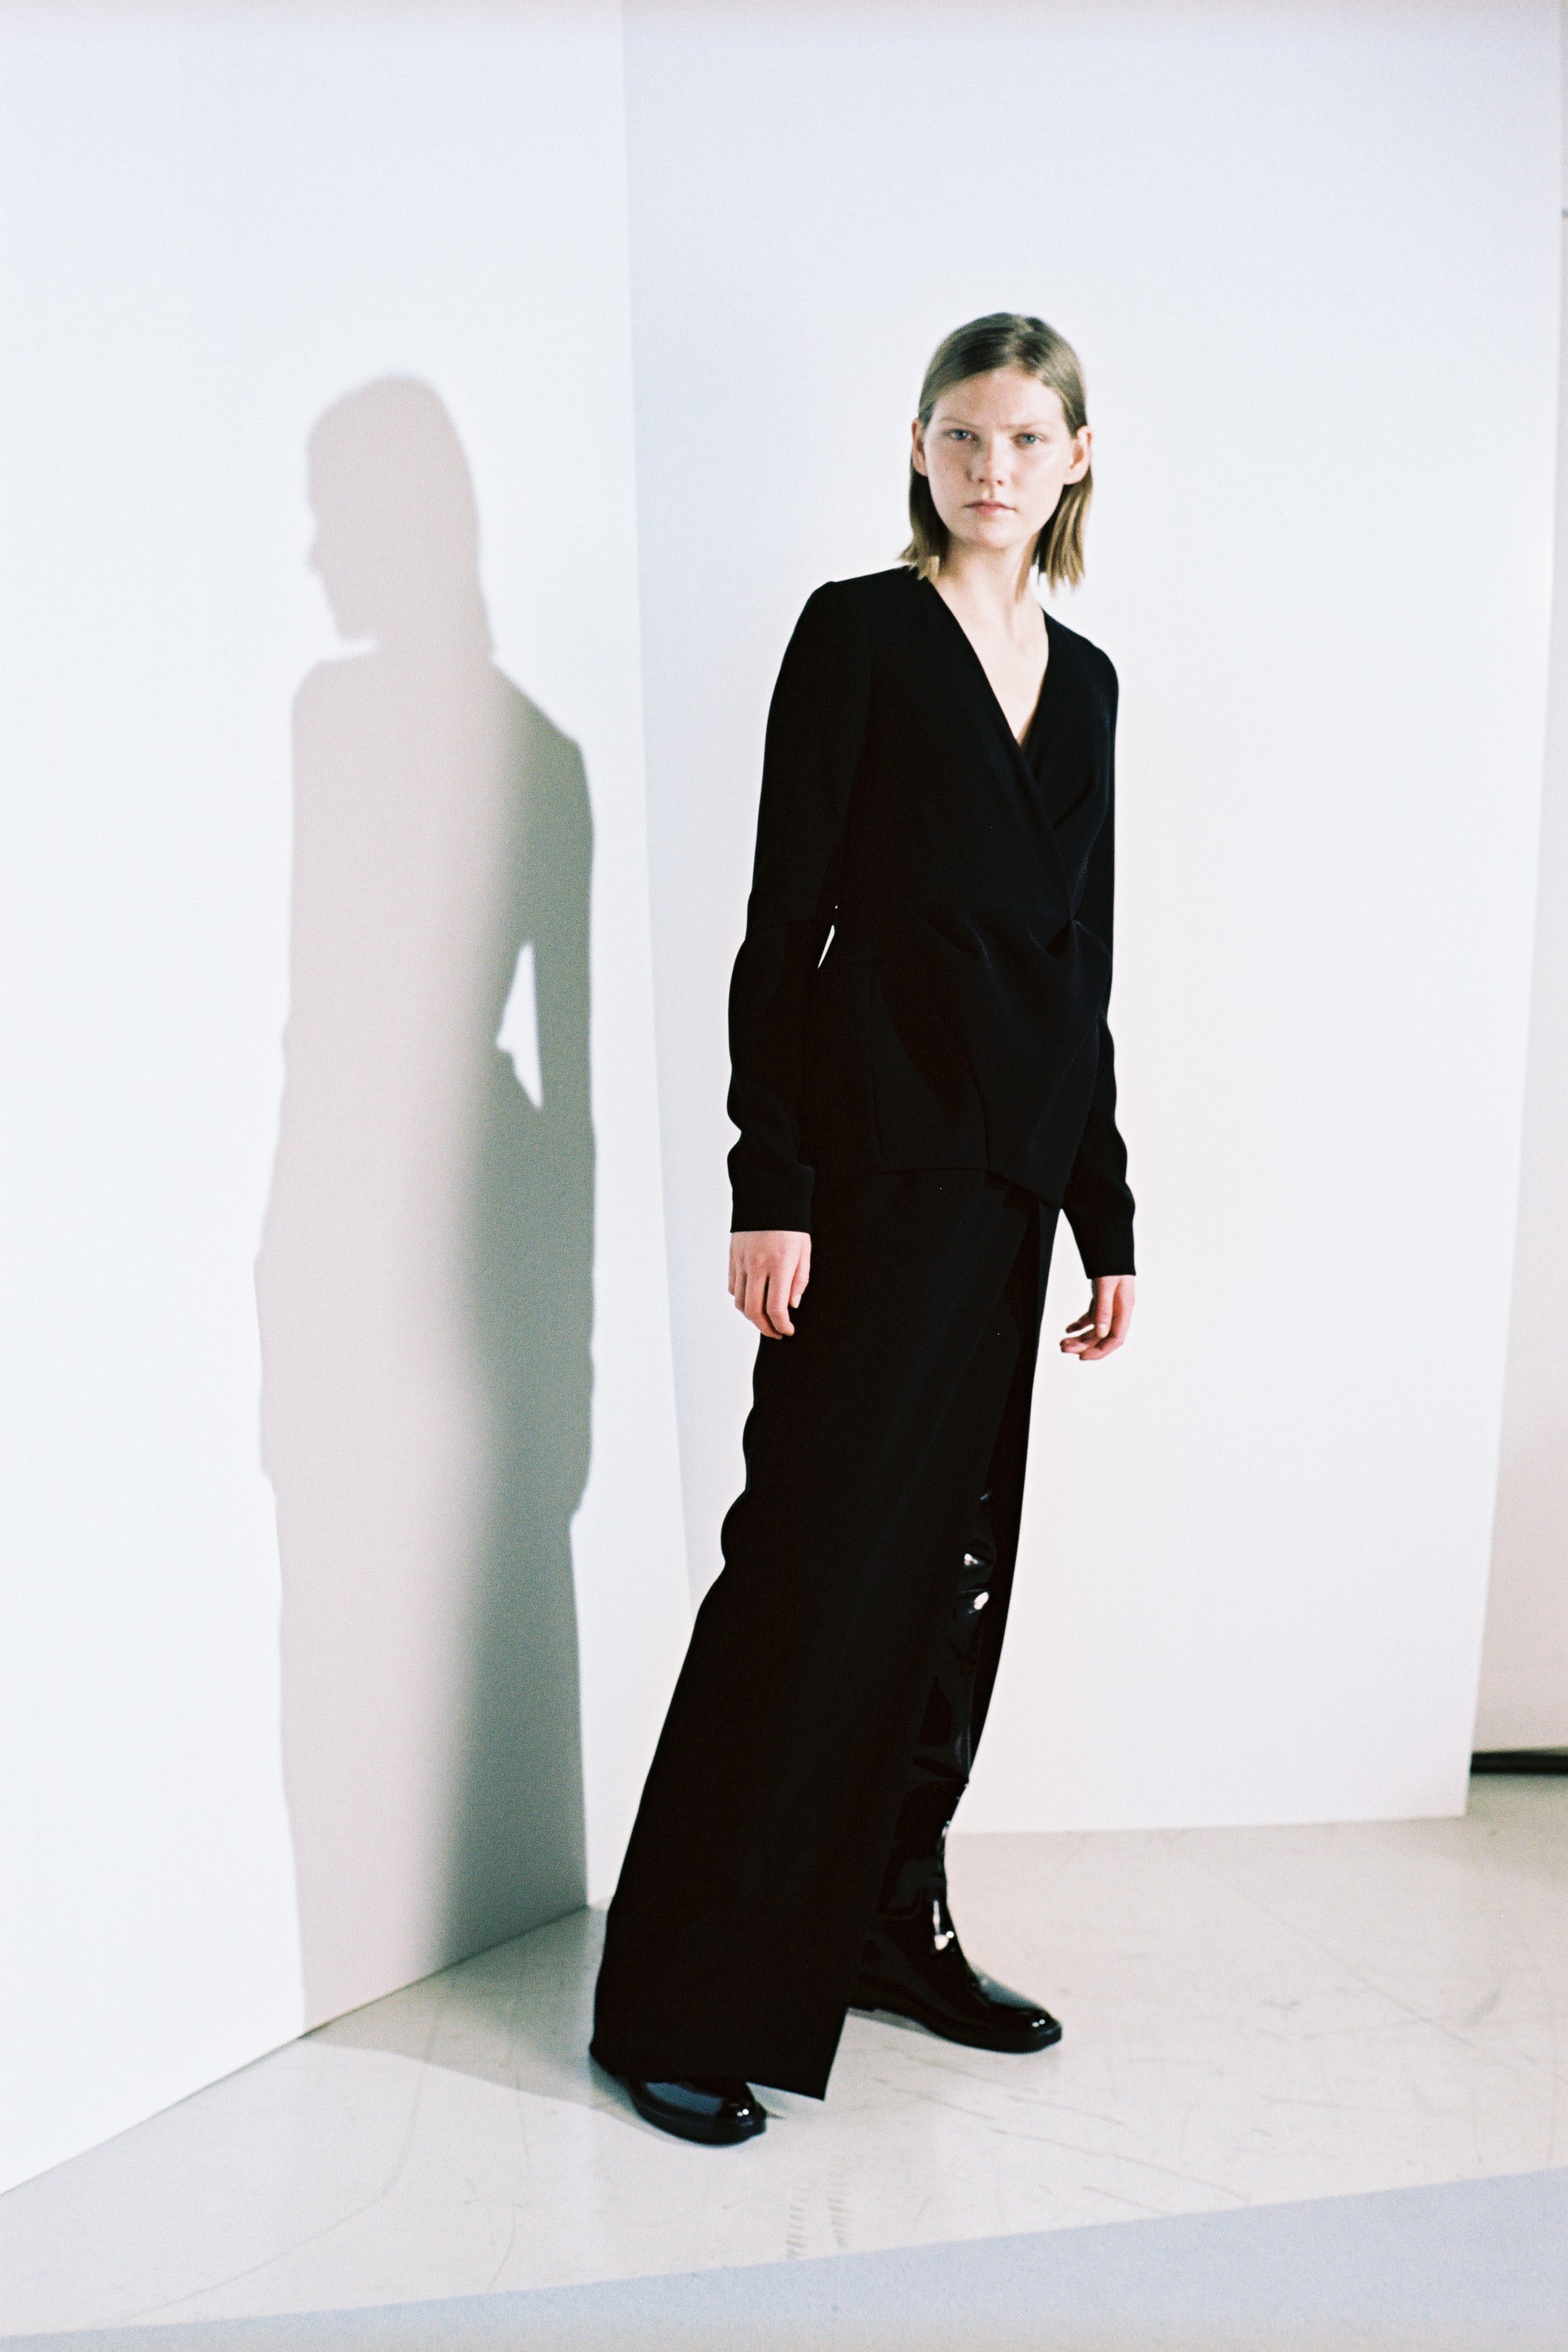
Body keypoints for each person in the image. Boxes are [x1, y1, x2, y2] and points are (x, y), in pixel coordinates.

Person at [590, 313, 1136, 2147]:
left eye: (1026, 438)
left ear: (1075, 459)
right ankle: (675, 1993)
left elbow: (1080, 965)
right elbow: (782, 922)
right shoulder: (857, 636)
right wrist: (773, 1183)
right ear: (918, 448)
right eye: (963, 435)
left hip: (1010, 1189)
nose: (993, 467)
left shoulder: (1088, 683)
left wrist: (1104, 1207)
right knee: (808, 1574)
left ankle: (890, 1926)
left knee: (957, 1578)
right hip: (870, 1178)